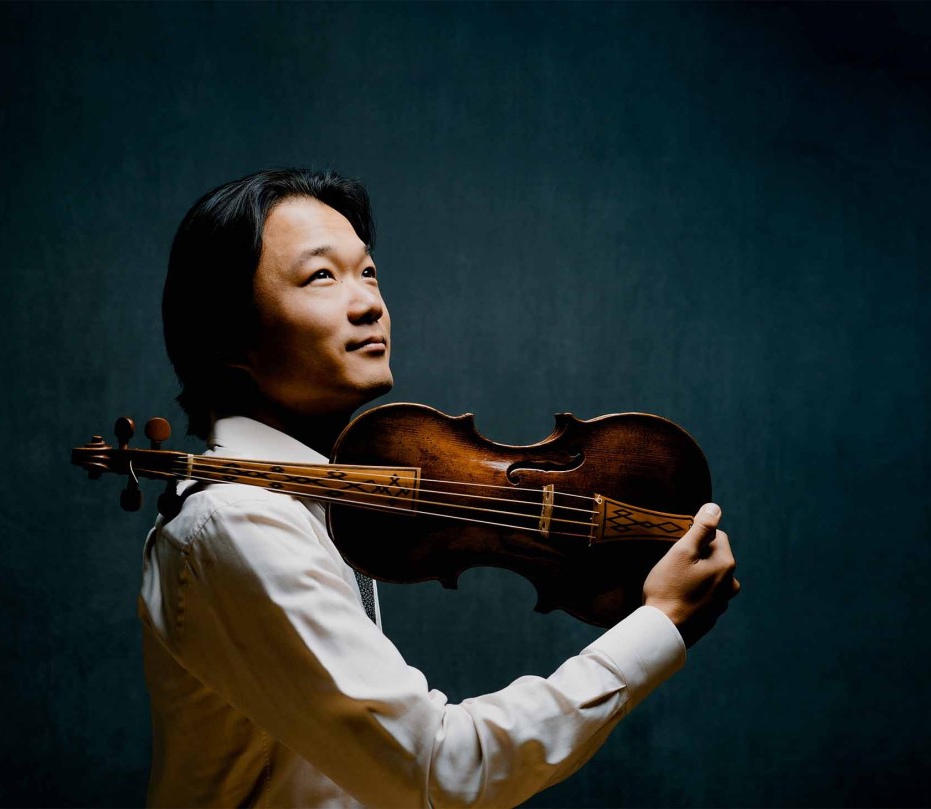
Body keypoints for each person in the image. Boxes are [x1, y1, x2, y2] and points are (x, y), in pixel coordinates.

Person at [140, 168, 740, 807]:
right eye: (321, 276)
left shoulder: (320, 502)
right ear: (227, 336)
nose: (369, 303)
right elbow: (440, 770)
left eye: (368, 272)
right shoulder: (236, 522)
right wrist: (658, 626)